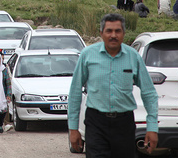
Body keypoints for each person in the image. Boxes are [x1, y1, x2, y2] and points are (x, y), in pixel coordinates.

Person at [68, 14, 159, 156]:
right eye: (109, 31)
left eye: (118, 31)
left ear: (123, 33)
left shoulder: (133, 56)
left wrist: (152, 127)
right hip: (95, 123)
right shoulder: (87, 55)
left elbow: (149, 93)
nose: (113, 35)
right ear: (101, 33)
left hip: (124, 124)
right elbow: (74, 92)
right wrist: (73, 129)